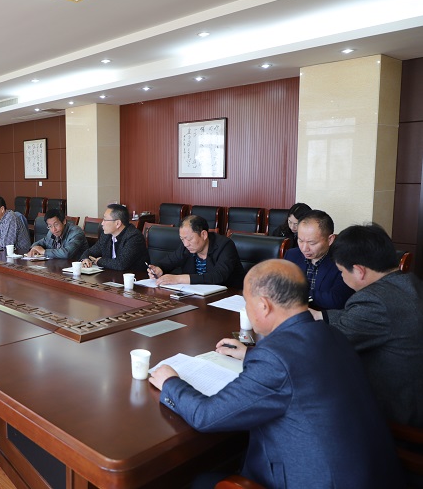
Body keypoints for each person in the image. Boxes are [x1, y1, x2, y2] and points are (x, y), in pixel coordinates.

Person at [150, 259, 403, 488]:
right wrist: (250, 354)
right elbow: (299, 368)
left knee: (198, 482)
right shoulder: (330, 333)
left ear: (264, 305)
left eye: (247, 302)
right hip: (376, 473)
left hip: (322, 480)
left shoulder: (274, 358)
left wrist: (171, 382)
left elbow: (206, 416)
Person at [309, 224, 423, 429]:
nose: (342, 277)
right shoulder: (409, 283)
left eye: (341, 272)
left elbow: (326, 349)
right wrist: (320, 315)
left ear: (359, 271)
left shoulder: (373, 300)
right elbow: (370, 319)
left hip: (397, 414)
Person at [147, 215, 244, 288]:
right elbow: (169, 261)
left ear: (204, 235)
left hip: (227, 297)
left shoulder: (225, 245)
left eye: (189, 239)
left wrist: (178, 278)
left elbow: (218, 276)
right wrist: (159, 269)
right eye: (182, 239)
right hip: (197, 295)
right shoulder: (185, 247)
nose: (186, 244)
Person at [284, 209, 354, 309]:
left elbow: (336, 300)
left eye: (312, 243)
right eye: (300, 241)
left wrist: (299, 294)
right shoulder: (292, 255)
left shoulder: (342, 261)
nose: (304, 248)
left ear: (330, 240)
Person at [80, 204, 146, 271]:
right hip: (110, 274)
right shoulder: (106, 235)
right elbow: (89, 252)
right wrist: (85, 259)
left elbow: (121, 264)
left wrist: (99, 261)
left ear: (117, 223)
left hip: (133, 276)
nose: (102, 223)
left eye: (105, 220)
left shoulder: (134, 237)